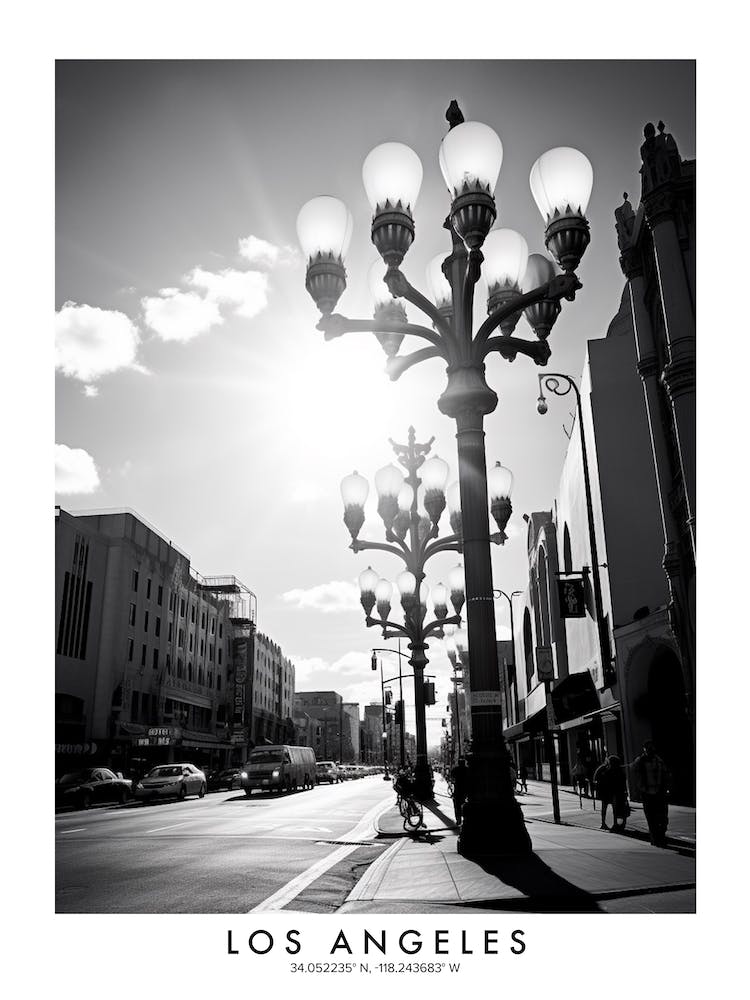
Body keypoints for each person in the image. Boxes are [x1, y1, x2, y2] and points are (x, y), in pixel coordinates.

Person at [634, 740, 670, 847]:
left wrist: (666, 787)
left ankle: (661, 836)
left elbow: (666, 774)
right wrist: (642, 790)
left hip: (660, 794)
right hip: (648, 795)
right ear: (644, 750)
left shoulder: (659, 761)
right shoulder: (640, 761)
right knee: (651, 819)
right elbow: (637, 777)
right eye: (648, 749)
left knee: (663, 818)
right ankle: (655, 840)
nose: (650, 751)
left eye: (651, 748)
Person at [450, 757, 469, 826]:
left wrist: (452, 783)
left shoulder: (456, 769)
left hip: (458, 790)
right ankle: (465, 819)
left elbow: (451, 777)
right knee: (465, 805)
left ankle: (458, 820)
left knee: (457, 805)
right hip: (466, 790)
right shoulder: (467, 769)